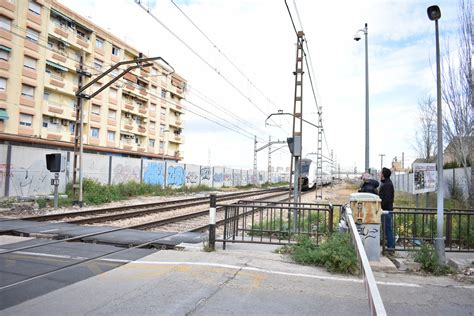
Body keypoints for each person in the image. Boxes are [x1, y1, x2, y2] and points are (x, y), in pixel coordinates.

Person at [379, 167, 395, 251]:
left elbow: (387, 199)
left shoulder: (387, 185)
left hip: (386, 210)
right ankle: (388, 246)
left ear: (383, 174)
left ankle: (391, 247)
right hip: (385, 209)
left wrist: (380, 205)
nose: (379, 174)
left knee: (388, 228)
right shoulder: (385, 183)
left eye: (381, 172)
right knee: (386, 228)